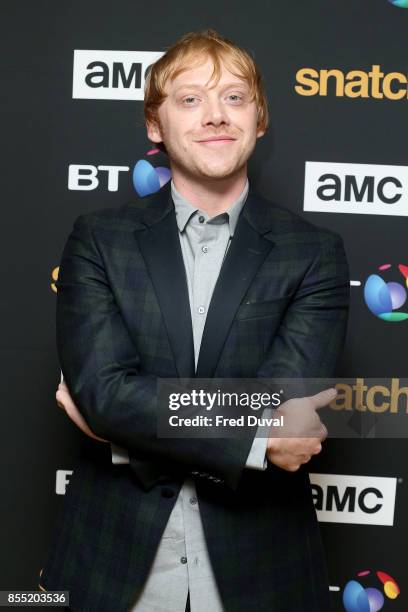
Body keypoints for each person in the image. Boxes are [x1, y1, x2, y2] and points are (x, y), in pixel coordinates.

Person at [39, 29, 350, 612]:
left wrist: (121, 436)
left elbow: (283, 414)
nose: (215, 116)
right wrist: (250, 435)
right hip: (108, 564)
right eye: (190, 100)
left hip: (262, 569)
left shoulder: (314, 252)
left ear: (260, 120)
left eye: (234, 97)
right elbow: (104, 392)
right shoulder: (99, 241)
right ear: (155, 126)